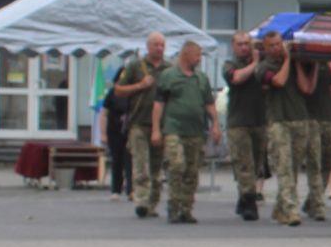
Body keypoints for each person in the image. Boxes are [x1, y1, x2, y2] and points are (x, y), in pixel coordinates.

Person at [152, 39, 220, 223]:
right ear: (186, 54)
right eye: (197, 55)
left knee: (192, 171)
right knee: (176, 165)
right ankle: (173, 206)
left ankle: (186, 208)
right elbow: (159, 104)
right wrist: (156, 129)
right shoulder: (169, 76)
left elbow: (209, 104)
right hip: (174, 129)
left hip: (196, 132)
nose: (199, 59)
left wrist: (215, 125)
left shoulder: (201, 79)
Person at [112, 32, 167, 218]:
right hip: (138, 123)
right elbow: (118, 90)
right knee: (141, 165)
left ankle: (152, 203)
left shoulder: (169, 68)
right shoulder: (135, 66)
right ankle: (142, 201)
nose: (159, 49)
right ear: (148, 46)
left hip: (161, 124)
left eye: (162, 45)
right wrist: (140, 86)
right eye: (156, 45)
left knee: (156, 166)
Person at [260, 29, 311, 228]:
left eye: (278, 44)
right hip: (278, 122)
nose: (276, 48)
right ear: (265, 48)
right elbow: (279, 81)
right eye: (271, 45)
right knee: (284, 168)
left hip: (299, 120)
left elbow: (306, 88)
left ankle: (281, 208)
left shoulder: (294, 63)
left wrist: (296, 63)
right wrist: (289, 59)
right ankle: (291, 211)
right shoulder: (264, 67)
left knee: (294, 168)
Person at [224, 31, 267, 222]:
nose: (244, 47)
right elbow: (237, 78)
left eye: (247, 43)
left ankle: (243, 197)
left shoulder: (261, 62)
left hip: (259, 120)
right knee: (244, 164)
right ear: (233, 46)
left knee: (257, 164)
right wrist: (255, 64)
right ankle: (250, 203)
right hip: (238, 122)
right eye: (240, 44)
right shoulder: (230, 64)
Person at [300, 57, 331, 222]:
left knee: (329, 162)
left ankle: (312, 200)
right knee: (314, 162)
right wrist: (316, 64)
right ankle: (317, 204)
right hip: (311, 118)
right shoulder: (306, 64)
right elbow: (308, 88)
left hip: (330, 118)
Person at [103, 57, 134, 201]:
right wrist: (103, 133)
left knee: (130, 160)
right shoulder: (112, 93)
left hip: (129, 130)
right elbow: (104, 113)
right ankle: (116, 189)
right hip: (114, 130)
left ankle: (131, 190)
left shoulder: (133, 93)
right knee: (117, 160)